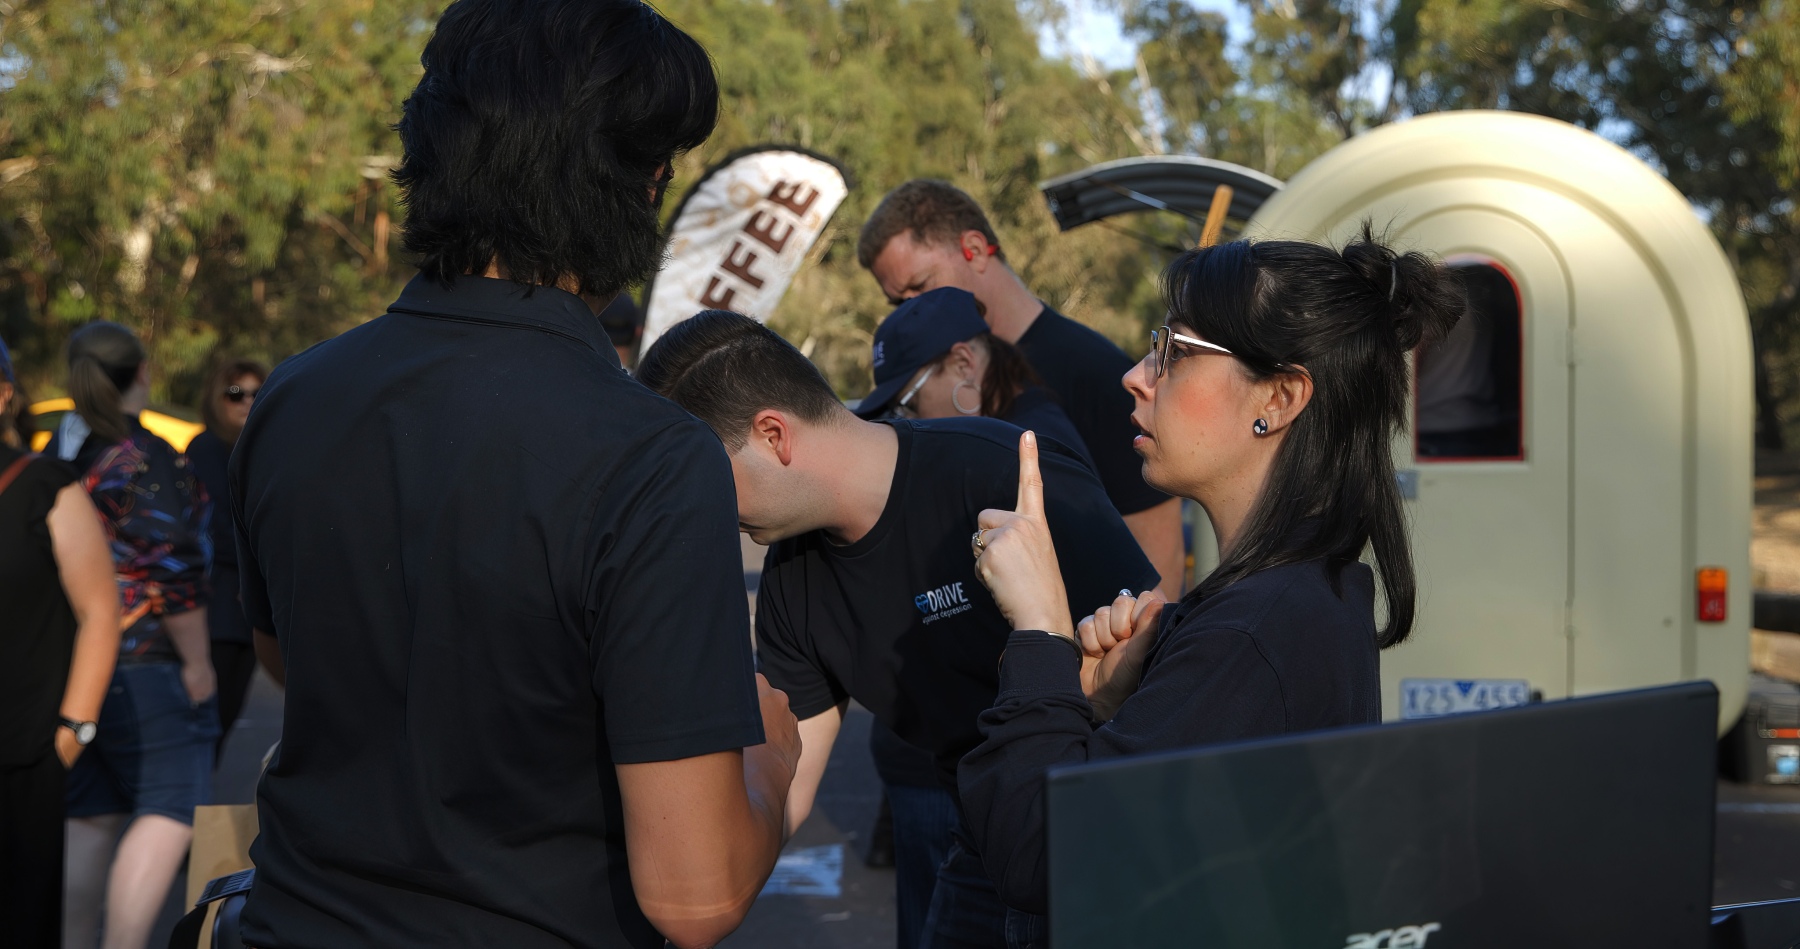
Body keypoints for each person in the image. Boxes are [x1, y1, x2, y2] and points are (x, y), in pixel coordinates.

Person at [230, 3, 798, 947]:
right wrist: (770, 759)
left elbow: (292, 659)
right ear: (636, 185)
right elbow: (695, 896)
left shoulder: (293, 395)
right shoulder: (651, 457)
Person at [956, 230, 1465, 945]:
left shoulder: (1254, 632)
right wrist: (1103, 708)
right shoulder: (1306, 592)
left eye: (1174, 350)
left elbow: (1040, 857)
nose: (1137, 376)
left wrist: (1040, 629)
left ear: (1280, 397)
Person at [636, 310, 1158, 949]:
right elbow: (785, 778)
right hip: (981, 845)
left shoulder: (1002, 477)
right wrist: (704, 881)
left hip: (1104, 837)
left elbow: (1161, 650)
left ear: (774, 434)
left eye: (706, 482)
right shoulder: (792, 581)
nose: (706, 514)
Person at [858, 180, 1185, 599]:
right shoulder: (935, 377)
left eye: (920, 284)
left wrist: (1142, 640)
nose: (911, 310)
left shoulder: (1096, 371)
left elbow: (1158, 562)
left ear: (975, 249)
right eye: (897, 302)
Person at [46, 321, 216, 949]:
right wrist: (198, 662)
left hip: (75, 661)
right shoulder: (146, 457)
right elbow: (170, 568)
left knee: (91, 815)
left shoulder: (64, 455)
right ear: (142, 371)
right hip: (146, 658)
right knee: (171, 808)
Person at [0, 335, 120, 949]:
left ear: (4, 394)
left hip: (21, 761)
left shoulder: (44, 484)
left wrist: (75, 729)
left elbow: (100, 610)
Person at [856, 287, 1092, 470]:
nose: (907, 422)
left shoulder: (1030, 449)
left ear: (963, 363)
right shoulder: (1008, 437)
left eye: (909, 404)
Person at [186, 357, 269, 756]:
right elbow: (213, 527)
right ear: (217, 398)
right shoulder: (205, 448)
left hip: (248, 607)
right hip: (217, 605)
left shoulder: (265, 450)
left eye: (256, 393)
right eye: (236, 393)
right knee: (206, 726)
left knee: (226, 717)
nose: (247, 401)